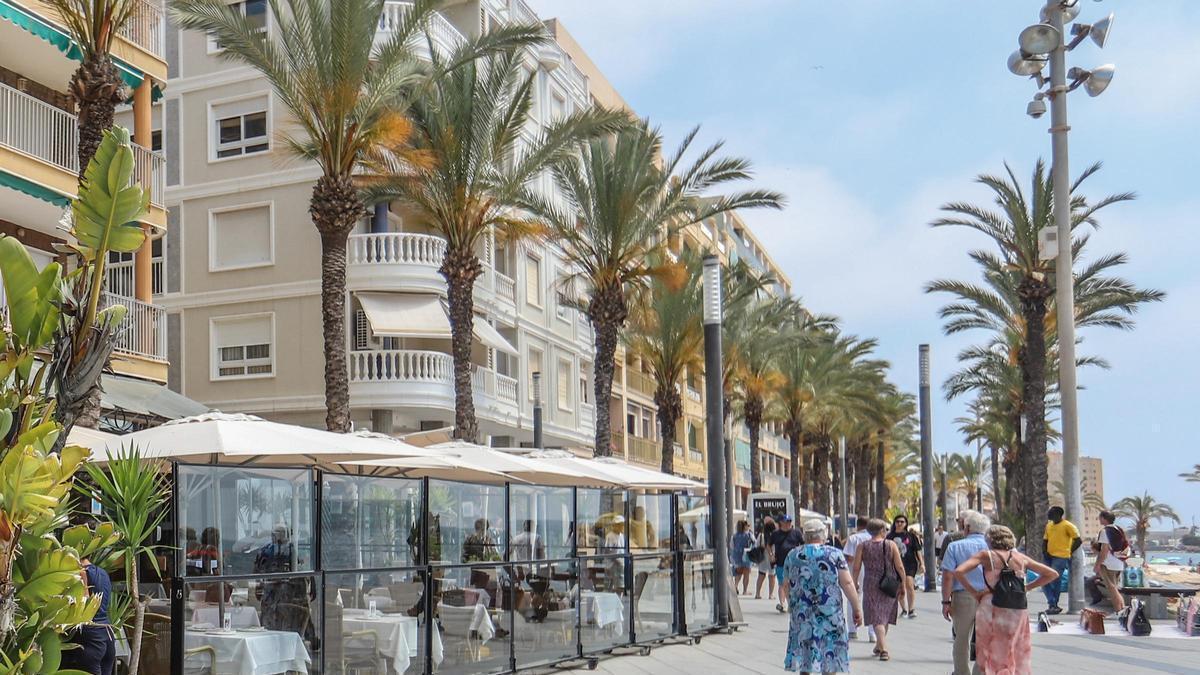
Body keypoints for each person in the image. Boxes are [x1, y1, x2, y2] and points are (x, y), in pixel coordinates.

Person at [954, 525, 1060, 675]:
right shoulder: (1020, 558)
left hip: (991, 605)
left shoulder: (986, 555)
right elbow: (1052, 574)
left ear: (990, 540)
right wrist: (1027, 587)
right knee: (1014, 647)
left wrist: (974, 593)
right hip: (1016, 608)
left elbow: (959, 572)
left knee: (989, 648)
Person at [783, 519, 862, 674]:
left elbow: (786, 584)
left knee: (804, 647)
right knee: (829, 650)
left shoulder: (792, 555)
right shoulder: (834, 554)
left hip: (802, 612)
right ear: (824, 534)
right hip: (830, 611)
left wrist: (791, 603)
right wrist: (856, 607)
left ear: (805, 535)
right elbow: (846, 582)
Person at [940, 510, 991, 675]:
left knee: (962, 638)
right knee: (986, 637)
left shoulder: (955, 546)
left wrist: (946, 601)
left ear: (967, 527)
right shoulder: (992, 548)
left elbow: (948, 576)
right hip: (989, 596)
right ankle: (980, 671)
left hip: (963, 596)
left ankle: (961, 672)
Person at [852, 518, 905, 662]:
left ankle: (879, 645)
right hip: (889, 583)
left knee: (877, 616)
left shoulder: (862, 546)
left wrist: (854, 582)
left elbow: (856, 567)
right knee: (883, 616)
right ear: (882, 530)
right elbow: (899, 567)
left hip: (870, 584)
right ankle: (884, 650)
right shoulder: (891, 545)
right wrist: (904, 584)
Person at [61, 556, 115, 675]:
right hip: (107, 633)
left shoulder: (80, 573)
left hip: (90, 636)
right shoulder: (103, 573)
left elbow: (83, 603)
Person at [1042, 506, 1081, 614]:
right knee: (1043, 579)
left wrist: (1069, 551)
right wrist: (1044, 551)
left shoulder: (1068, 526)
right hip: (1048, 556)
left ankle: (1053, 604)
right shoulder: (1049, 525)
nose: (1048, 515)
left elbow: (1078, 540)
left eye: (1051, 513)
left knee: (1054, 579)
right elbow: (1045, 540)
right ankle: (1052, 603)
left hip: (1061, 557)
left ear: (1058, 514)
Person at [886, 514, 923, 618]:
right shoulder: (889, 537)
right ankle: (903, 609)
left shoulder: (911, 536)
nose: (899, 523)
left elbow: (918, 550)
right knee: (898, 588)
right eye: (897, 521)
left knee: (909, 584)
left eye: (902, 522)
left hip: (909, 563)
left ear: (906, 523)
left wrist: (922, 563)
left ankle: (911, 609)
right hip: (894, 565)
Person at [842, 516, 871, 640]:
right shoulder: (873, 538)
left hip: (855, 571)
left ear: (858, 525)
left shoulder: (853, 538)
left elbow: (848, 557)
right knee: (871, 599)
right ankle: (872, 633)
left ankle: (852, 630)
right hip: (870, 571)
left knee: (852, 598)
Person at [1094, 510, 1128, 613]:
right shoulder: (1118, 529)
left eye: (1100, 517)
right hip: (1119, 562)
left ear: (1104, 518)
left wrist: (1097, 564)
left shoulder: (1105, 531)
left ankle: (1121, 611)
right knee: (1114, 588)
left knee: (1112, 589)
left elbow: (1104, 551)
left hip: (1108, 564)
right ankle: (1120, 610)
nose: (1099, 519)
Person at [769, 515, 804, 613]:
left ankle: (791, 603)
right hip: (780, 562)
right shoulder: (776, 534)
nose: (788, 523)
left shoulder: (796, 533)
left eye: (789, 521)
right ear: (781, 523)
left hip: (794, 562)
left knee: (793, 583)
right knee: (782, 583)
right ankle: (783, 603)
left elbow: (802, 544)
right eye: (786, 521)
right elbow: (769, 545)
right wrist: (771, 555)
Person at [754, 516, 777, 600]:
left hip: (762, 557)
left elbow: (756, 545)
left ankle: (757, 593)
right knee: (772, 576)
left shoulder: (761, 535)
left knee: (761, 575)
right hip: (772, 556)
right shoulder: (775, 535)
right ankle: (771, 594)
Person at [730, 520, 754, 595]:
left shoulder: (734, 535)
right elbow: (755, 542)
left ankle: (736, 586)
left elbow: (731, 546)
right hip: (746, 555)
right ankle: (745, 590)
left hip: (737, 556)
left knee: (738, 573)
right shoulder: (749, 535)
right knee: (746, 574)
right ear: (745, 526)